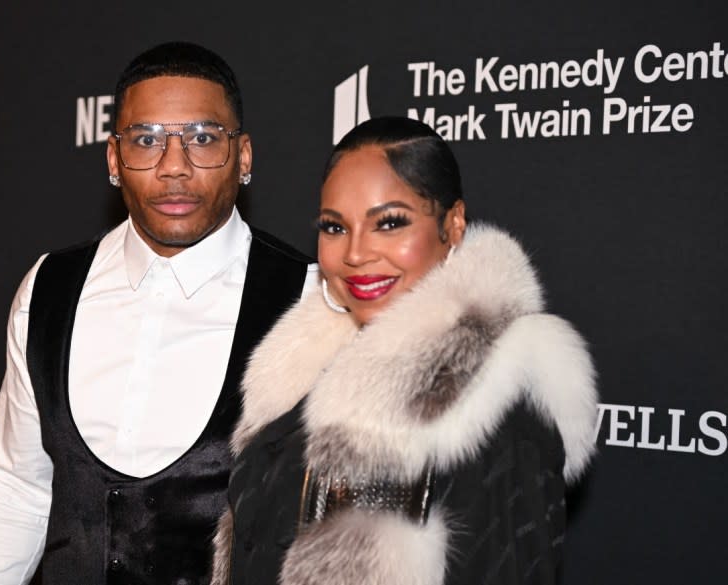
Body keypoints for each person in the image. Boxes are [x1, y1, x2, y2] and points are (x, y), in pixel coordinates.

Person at [0, 41, 318, 585]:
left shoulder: (308, 300)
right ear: (113, 158)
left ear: (243, 156)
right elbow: (17, 487)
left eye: (202, 138)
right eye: (147, 140)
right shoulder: (48, 288)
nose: (174, 167)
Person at [210, 116, 599, 585]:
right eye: (335, 228)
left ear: (452, 225)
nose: (355, 253)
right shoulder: (304, 371)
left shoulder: (497, 399)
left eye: (389, 223)